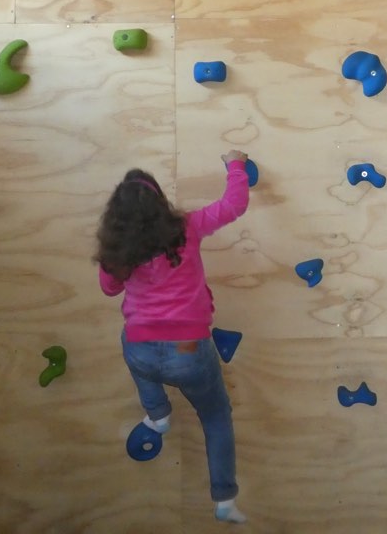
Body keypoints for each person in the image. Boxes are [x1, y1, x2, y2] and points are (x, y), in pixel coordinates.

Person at [95, 151, 251, 524]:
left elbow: (109, 289)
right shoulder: (188, 228)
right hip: (188, 348)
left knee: (135, 353)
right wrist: (236, 166)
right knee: (215, 417)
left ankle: (158, 414)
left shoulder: (118, 252)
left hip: (142, 346)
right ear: (161, 205)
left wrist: (118, 261)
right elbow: (234, 205)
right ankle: (225, 498)